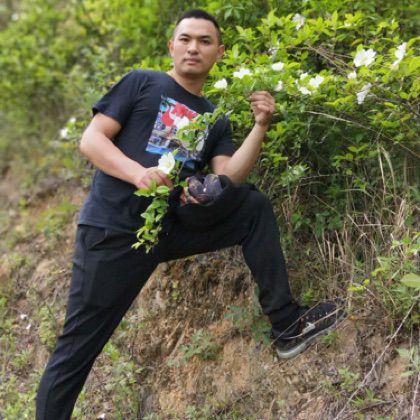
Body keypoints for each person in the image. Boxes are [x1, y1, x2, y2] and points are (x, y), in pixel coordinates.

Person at [36, 9, 344, 419]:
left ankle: (287, 325)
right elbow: (92, 140)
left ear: (219, 52)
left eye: (204, 41)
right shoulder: (142, 82)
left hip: (170, 230)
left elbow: (229, 177)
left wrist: (260, 126)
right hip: (113, 231)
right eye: (185, 39)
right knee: (78, 347)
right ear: (171, 46)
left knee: (251, 205)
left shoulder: (215, 118)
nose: (193, 48)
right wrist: (138, 174)